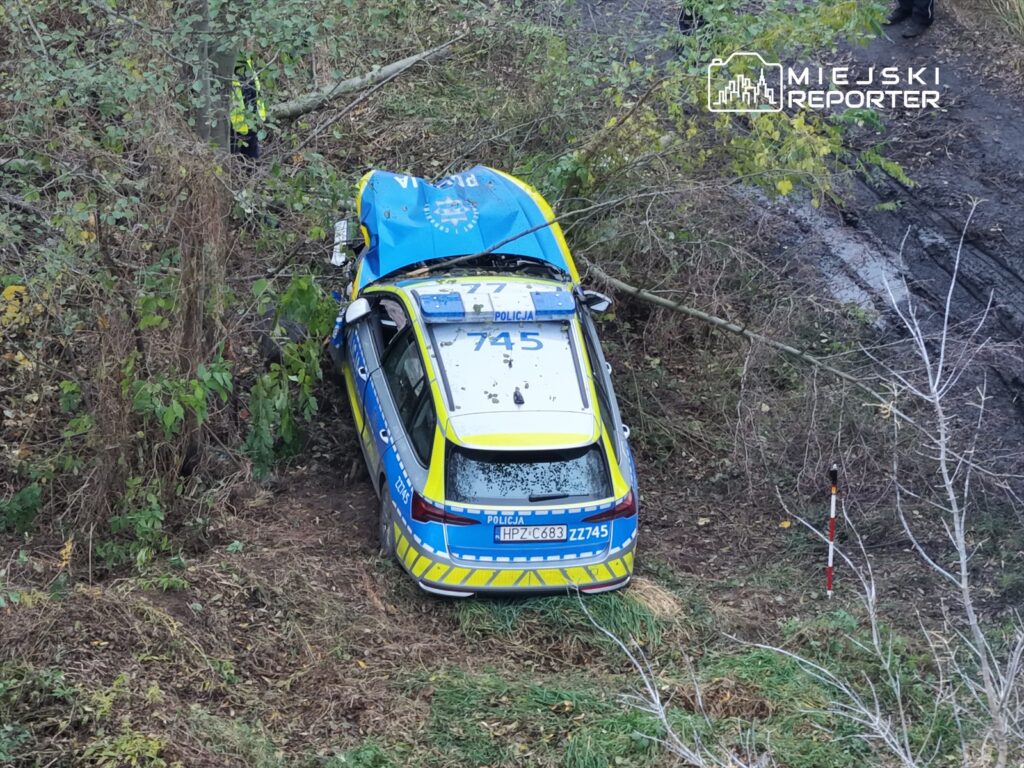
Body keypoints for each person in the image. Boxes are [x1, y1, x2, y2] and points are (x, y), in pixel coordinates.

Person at [230, 56, 267, 159]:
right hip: (234, 123)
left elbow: (255, 91)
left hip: (249, 120)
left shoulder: (246, 61)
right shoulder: (229, 63)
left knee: (250, 157)